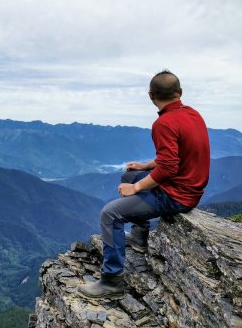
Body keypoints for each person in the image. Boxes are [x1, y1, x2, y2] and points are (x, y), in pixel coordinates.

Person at [77, 70, 210, 300]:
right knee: (128, 175)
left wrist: (137, 189)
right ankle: (139, 237)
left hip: (176, 196)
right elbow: (175, 157)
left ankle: (111, 283)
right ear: (180, 93)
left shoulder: (163, 123)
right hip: (188, 188)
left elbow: (169, 168)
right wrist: (144, 166)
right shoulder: (193, 115)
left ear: (151, 95)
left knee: (110, 214)